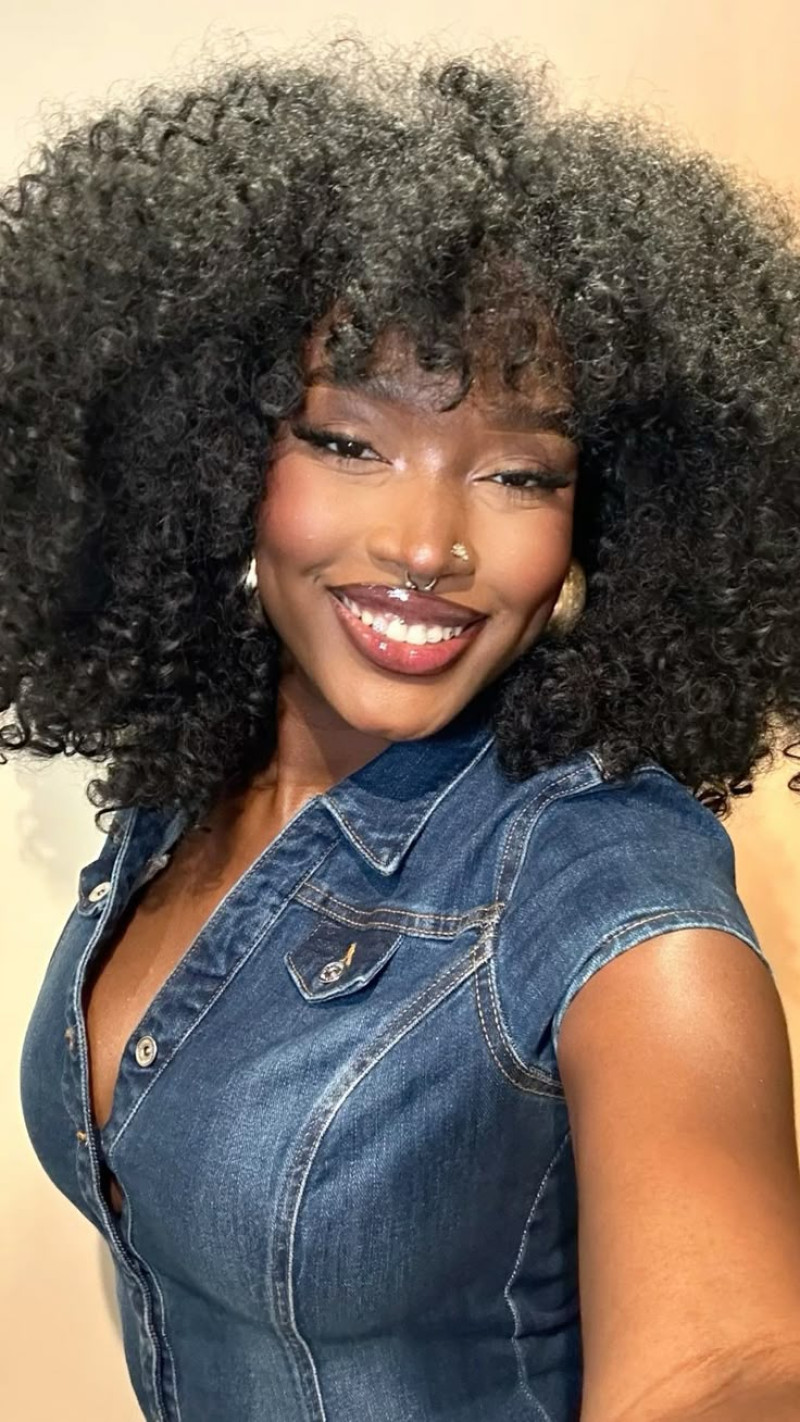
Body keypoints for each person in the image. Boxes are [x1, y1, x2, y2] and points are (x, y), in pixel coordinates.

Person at [5, 32, 800, 1422]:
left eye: (518, 472)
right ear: (210, 453)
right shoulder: (194, 783)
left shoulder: (604, 874)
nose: (428, 544)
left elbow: (730, 1360)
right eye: (348, 442)